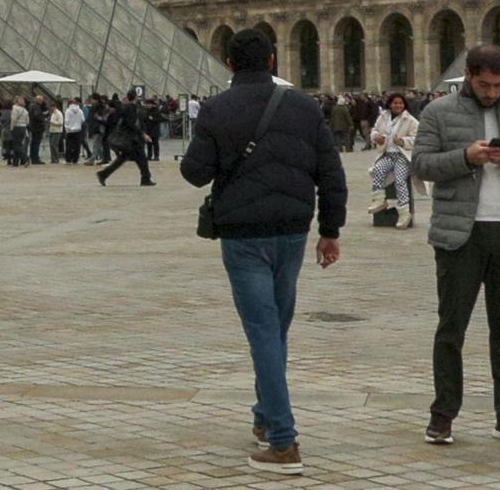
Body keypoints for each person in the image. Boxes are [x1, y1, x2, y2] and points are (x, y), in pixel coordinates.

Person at [180, 28, 346, 476]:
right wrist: (330, 230)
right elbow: (331, 174)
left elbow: (194, 174)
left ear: (229, 64)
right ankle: (264, 413)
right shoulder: (304, 106)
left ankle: (284, 441)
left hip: (243, 235)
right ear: (273, 61)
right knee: (275, 328)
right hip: (293, 232)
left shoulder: (216, 109)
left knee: (263, 331)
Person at [413, 45, 500, 448]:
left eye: (497, 85)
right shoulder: (438, 112)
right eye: (483, 84)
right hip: (461, 234)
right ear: (469, 77)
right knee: (451, 329)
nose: (491, 92)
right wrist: (465, 157)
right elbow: (420, 164)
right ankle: (442, 416)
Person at [367, 93, 419, 229]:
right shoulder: (383, 117)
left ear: (404, 105)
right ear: (390, 104)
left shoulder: (411, 120)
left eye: (400, 103)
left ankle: (404, 212)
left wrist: (402, 141)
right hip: (388, 154)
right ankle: (379, 200)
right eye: (395, 103)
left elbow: (417, 138)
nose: (398, 106)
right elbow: (374, 131)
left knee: (400, 179)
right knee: (378, 169)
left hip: (402, 156)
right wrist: (376, 137)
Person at [96, 91, 154, 186]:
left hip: (129, 138)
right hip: (131, 139)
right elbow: (130, 123)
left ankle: (104, 174)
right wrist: (143, 134)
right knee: (141, 159)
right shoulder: (131, 108)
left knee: (125, 159)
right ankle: (145, 179)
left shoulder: (125, 107)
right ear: (135, 97)